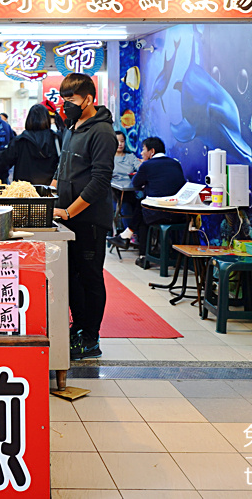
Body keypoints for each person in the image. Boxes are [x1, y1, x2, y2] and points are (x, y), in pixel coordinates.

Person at [51, 73, 116, 360]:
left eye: (71, 99)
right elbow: (63, 167)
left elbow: (100, 180)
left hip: (88, 220)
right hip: (67, 219)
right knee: (72, 277)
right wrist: (48, 194)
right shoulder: (72, 127)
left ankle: (91, 338)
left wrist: (68, 210)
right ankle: (78, 329)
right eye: (63, 99)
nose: (66, 104)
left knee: (90, 278)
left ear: (89, 99)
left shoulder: (101, 132)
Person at [0, 104, 60, 186]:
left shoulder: (20, 140)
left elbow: (2, 159)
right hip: (49, 188)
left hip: (23, 190)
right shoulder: (56, 139)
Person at [130, 136, 188, 266]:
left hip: (157, 215)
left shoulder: (147, 165)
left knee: (142, 215)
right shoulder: (175, 163)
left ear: (152, 151)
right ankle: (127, 235)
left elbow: (135, 183)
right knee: (142, 208)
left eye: (143, 149)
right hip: (179, 214)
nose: (141, 153)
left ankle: (143, 256)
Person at [112, 131, 142, 240]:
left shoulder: (130, 157)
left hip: (131, 189)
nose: (120, 144)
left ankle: (132, 234)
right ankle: (131, 235)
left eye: (122, 141)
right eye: (117, 141)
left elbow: (140, 168)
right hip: (114, 191)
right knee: (125, 205)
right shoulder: (108, 158)